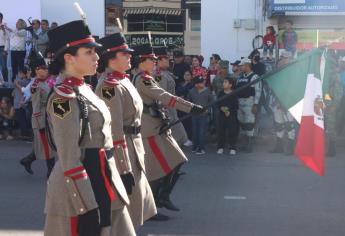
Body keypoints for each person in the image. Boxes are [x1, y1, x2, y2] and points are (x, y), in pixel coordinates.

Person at [43, 20, 135, 236]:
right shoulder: (63, 97)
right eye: (89, 52)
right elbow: (69, 158)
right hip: (80, 190)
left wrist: (121, 170)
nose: (96, 57)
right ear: (69, 57)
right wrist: (89, 207)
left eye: (96, 52)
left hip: (101, 178)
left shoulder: (84, 88)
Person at [132, 44, 204, 220]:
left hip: (158, 126)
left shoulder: (146, 77)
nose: (155, 62)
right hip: (150, 130)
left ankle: (162, 197)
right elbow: (164, 97)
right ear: (142, 61)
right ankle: (150, 207)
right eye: (152, 59)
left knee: (177, 159)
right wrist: (191, 108)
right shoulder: (143, 79)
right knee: (155, 171)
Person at [95, 32, 157, 227]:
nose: (130, 56)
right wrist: (123, 167)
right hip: (124, 150)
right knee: (125, 206)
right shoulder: (109, 86)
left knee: (136, 203)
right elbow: (114, 129)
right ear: (111, 58)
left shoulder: (123, 80)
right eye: (124, 53)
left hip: (134, 145)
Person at [19, 56, 55, 177]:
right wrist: (40, 125)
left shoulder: (45, 82)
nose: (45, 70)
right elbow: (35, 107)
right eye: (42, 68)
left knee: (45, 144)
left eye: (46, 68)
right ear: (36, 70)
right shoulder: (36, 85)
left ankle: (27, 160)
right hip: (41, 119)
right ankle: (51, 171)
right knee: (46, 145)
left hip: (48, 116)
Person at [153, 47, 191, 147]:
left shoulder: (165, 73)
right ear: (159, 60)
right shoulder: (159, 75)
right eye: (166, 59)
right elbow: (162, 96)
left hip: (171, 107)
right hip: (167, 110)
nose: (169, 61)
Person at [235, 58, 261, 153]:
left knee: (249, 123)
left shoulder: (254, 77)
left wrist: (256, 104)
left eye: (242, 65)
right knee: (242, 122)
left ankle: (249, 144)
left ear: (247, 65)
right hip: (240, 102)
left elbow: (258, 91)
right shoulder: (240, 77)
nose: (240, 67)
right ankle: (245, 143)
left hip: (249, 102)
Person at [187, 76, 214, 155]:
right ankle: (195, 146)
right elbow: (188, 101)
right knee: (195, 131)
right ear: (196, 84)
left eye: (202, 82)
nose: (202, 83)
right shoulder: (192, 91)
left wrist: (208, 110)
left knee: (202, 131)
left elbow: (211, 101)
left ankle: (201, 148)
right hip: (194, 114)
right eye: (200, 82)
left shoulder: (207, 91)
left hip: (204, 114)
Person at [216, 77, 239, 155]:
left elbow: (236, 105)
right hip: (222, 115)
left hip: (231, 115)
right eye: (223, 82)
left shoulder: (234, 93)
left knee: (232, 131)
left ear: (230, 85)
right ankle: (220, 147)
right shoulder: (221, 93)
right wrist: (221, 108)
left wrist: (230, 111)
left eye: (226, 82)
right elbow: (218, 103)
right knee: (221, 131)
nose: (223, 84)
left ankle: (232, 147)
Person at [13, 65, 32, 138]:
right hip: (21, 102)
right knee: (23, 119)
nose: (18, 74)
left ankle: (25, 134)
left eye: (19, 73)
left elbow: (22, 91)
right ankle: (25, 133)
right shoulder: (24, 81)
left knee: (22, 119)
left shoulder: (22, 81)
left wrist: (17, 84)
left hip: (20, 103)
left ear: (22, 73)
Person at [175, 70, 194, 140]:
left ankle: (188, 138)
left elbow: (191, 95)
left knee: (187, 123)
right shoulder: (180, 84)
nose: (186, 76)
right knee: (180, 123)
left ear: (191, 76)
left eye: (188, 74)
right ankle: (181, 138)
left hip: (187, 105)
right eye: (185, 74)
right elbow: (176, 92)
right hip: (179, 105)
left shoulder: (192, 85)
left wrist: (184, 97)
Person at [0, 13, 8, 82]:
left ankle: (6, 82)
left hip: (2, 48)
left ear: (2, 18)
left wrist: (5, 50)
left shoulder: (4, 26)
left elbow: (7, 38)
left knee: (4, 67)